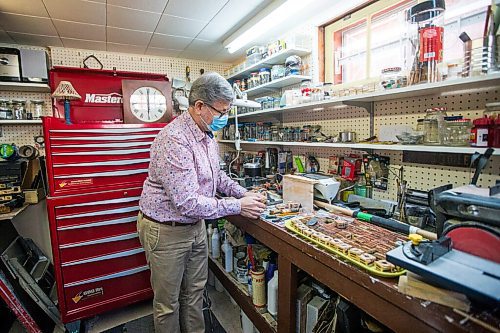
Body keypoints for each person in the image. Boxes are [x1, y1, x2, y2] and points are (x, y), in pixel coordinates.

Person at [137, 72, 266, 333]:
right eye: (221, 111)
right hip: (166, 230)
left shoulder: (207, 135)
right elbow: (186, 202)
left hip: (194, 226)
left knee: (195, 292)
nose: (224, 118)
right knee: (168, 304)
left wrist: (244, 194)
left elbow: (218, 178)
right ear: (199, 107)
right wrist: (237, 206)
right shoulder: (173, 139)